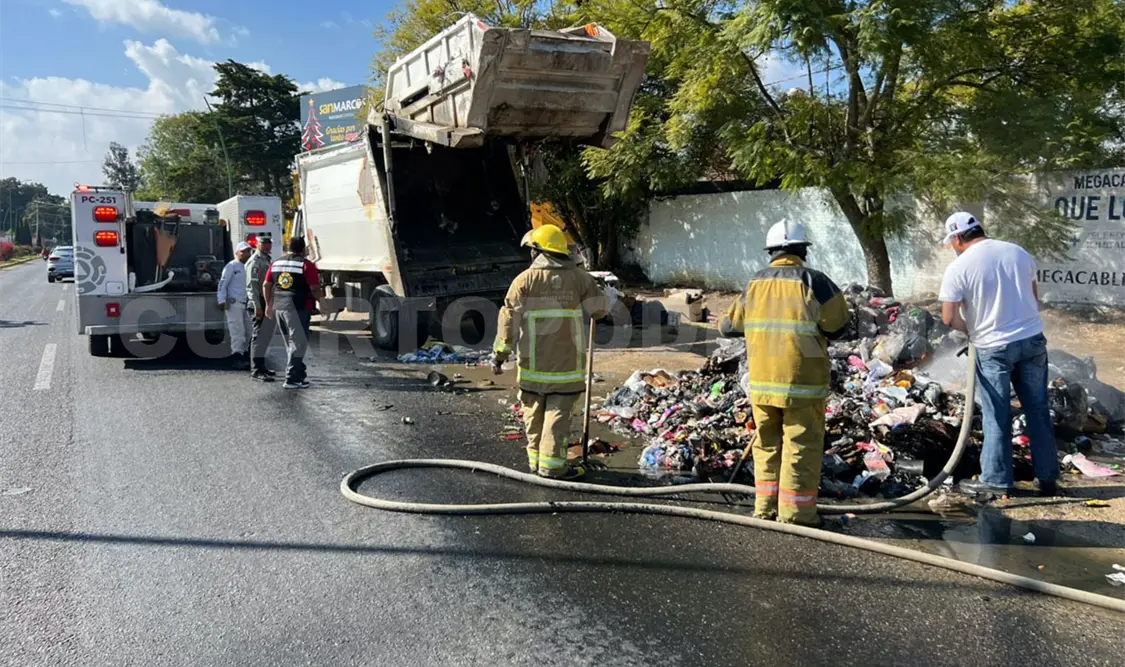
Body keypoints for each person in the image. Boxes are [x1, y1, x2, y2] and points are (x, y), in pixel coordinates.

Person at [720, 220, 850, 527]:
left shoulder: (754, 284)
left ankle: (764, 508)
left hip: (762, 385)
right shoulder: (814, 281)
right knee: (800, 448)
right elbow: (838, 326)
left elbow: (728, 326)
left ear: (771, 252)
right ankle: (796, 514)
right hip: (802, 384)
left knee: (766, 446)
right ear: (803, 249)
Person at [938, 211, 1059, 497]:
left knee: (997, 414)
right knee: (1038, 410)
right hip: (1032, 341)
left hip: (992, 347)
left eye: (952, 242)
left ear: (957, 238)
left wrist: (971, 331)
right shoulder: (1018, 252)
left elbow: (948, 318)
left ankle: (997, 481)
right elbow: (1034, 296)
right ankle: (1048, 478)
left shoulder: (959, 268)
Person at [492, 224, 607, 480]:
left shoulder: (523, 281)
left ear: (538, 251)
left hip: (532, 368)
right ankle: (552, 467)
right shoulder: (580, 278)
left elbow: (507, 324)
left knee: (534, 417)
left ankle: (536, 464)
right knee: (557, 418)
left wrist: (499, 357)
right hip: (567, 369)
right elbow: (600, 311)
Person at [263, 237, 323, 390]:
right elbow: (314, 288)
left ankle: (299, 375)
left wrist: (268, 305)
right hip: (298, 308)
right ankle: (290, 379)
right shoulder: (306, 265)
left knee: (291, 343)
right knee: (298, 343)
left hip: (280, 308)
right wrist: (324, 302)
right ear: (303, 249)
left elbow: (266, 284)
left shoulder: (276, 263)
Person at [246, 233, 277, 382]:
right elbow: (252, 287)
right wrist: (258, 306)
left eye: (269, 243)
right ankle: (256, 370)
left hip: (267, 301)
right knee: (258, 336)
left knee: (266, 336)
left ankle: (262, 366)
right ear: (257, 244)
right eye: (264, 243)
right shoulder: (255, 261)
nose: (267, 246)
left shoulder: (266, 259)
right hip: (258, 302)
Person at [218, 242, 254, 370]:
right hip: (234, 304)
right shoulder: (231, 266)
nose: (246, 254)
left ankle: (245, 355)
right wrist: (221, 300)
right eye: (243, 251)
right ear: (237, 252)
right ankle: (236, 358)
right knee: (237, 332)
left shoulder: (250, 266)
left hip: (247, 304)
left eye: (248, 251)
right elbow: (222, 284)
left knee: (250, 331)